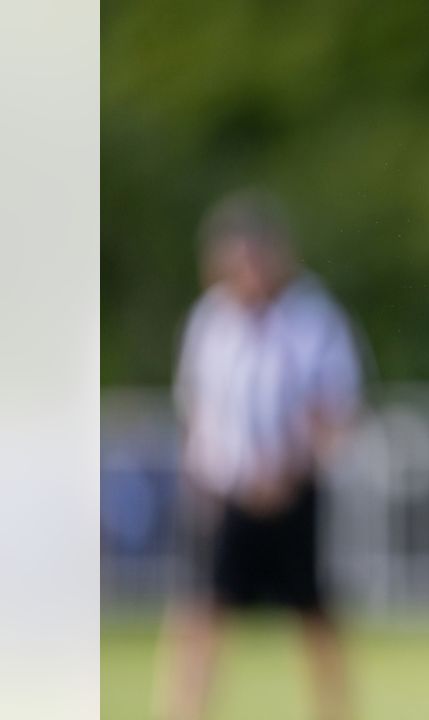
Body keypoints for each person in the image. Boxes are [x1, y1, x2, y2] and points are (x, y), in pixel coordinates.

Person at [157, 189, 364, 720]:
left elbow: (335, 408)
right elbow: (196, 408)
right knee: (201, 611)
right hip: (225, 492)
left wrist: (293, 469)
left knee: (313, 611)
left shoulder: (312, 319)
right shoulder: (210, 322)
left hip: (292, 491)